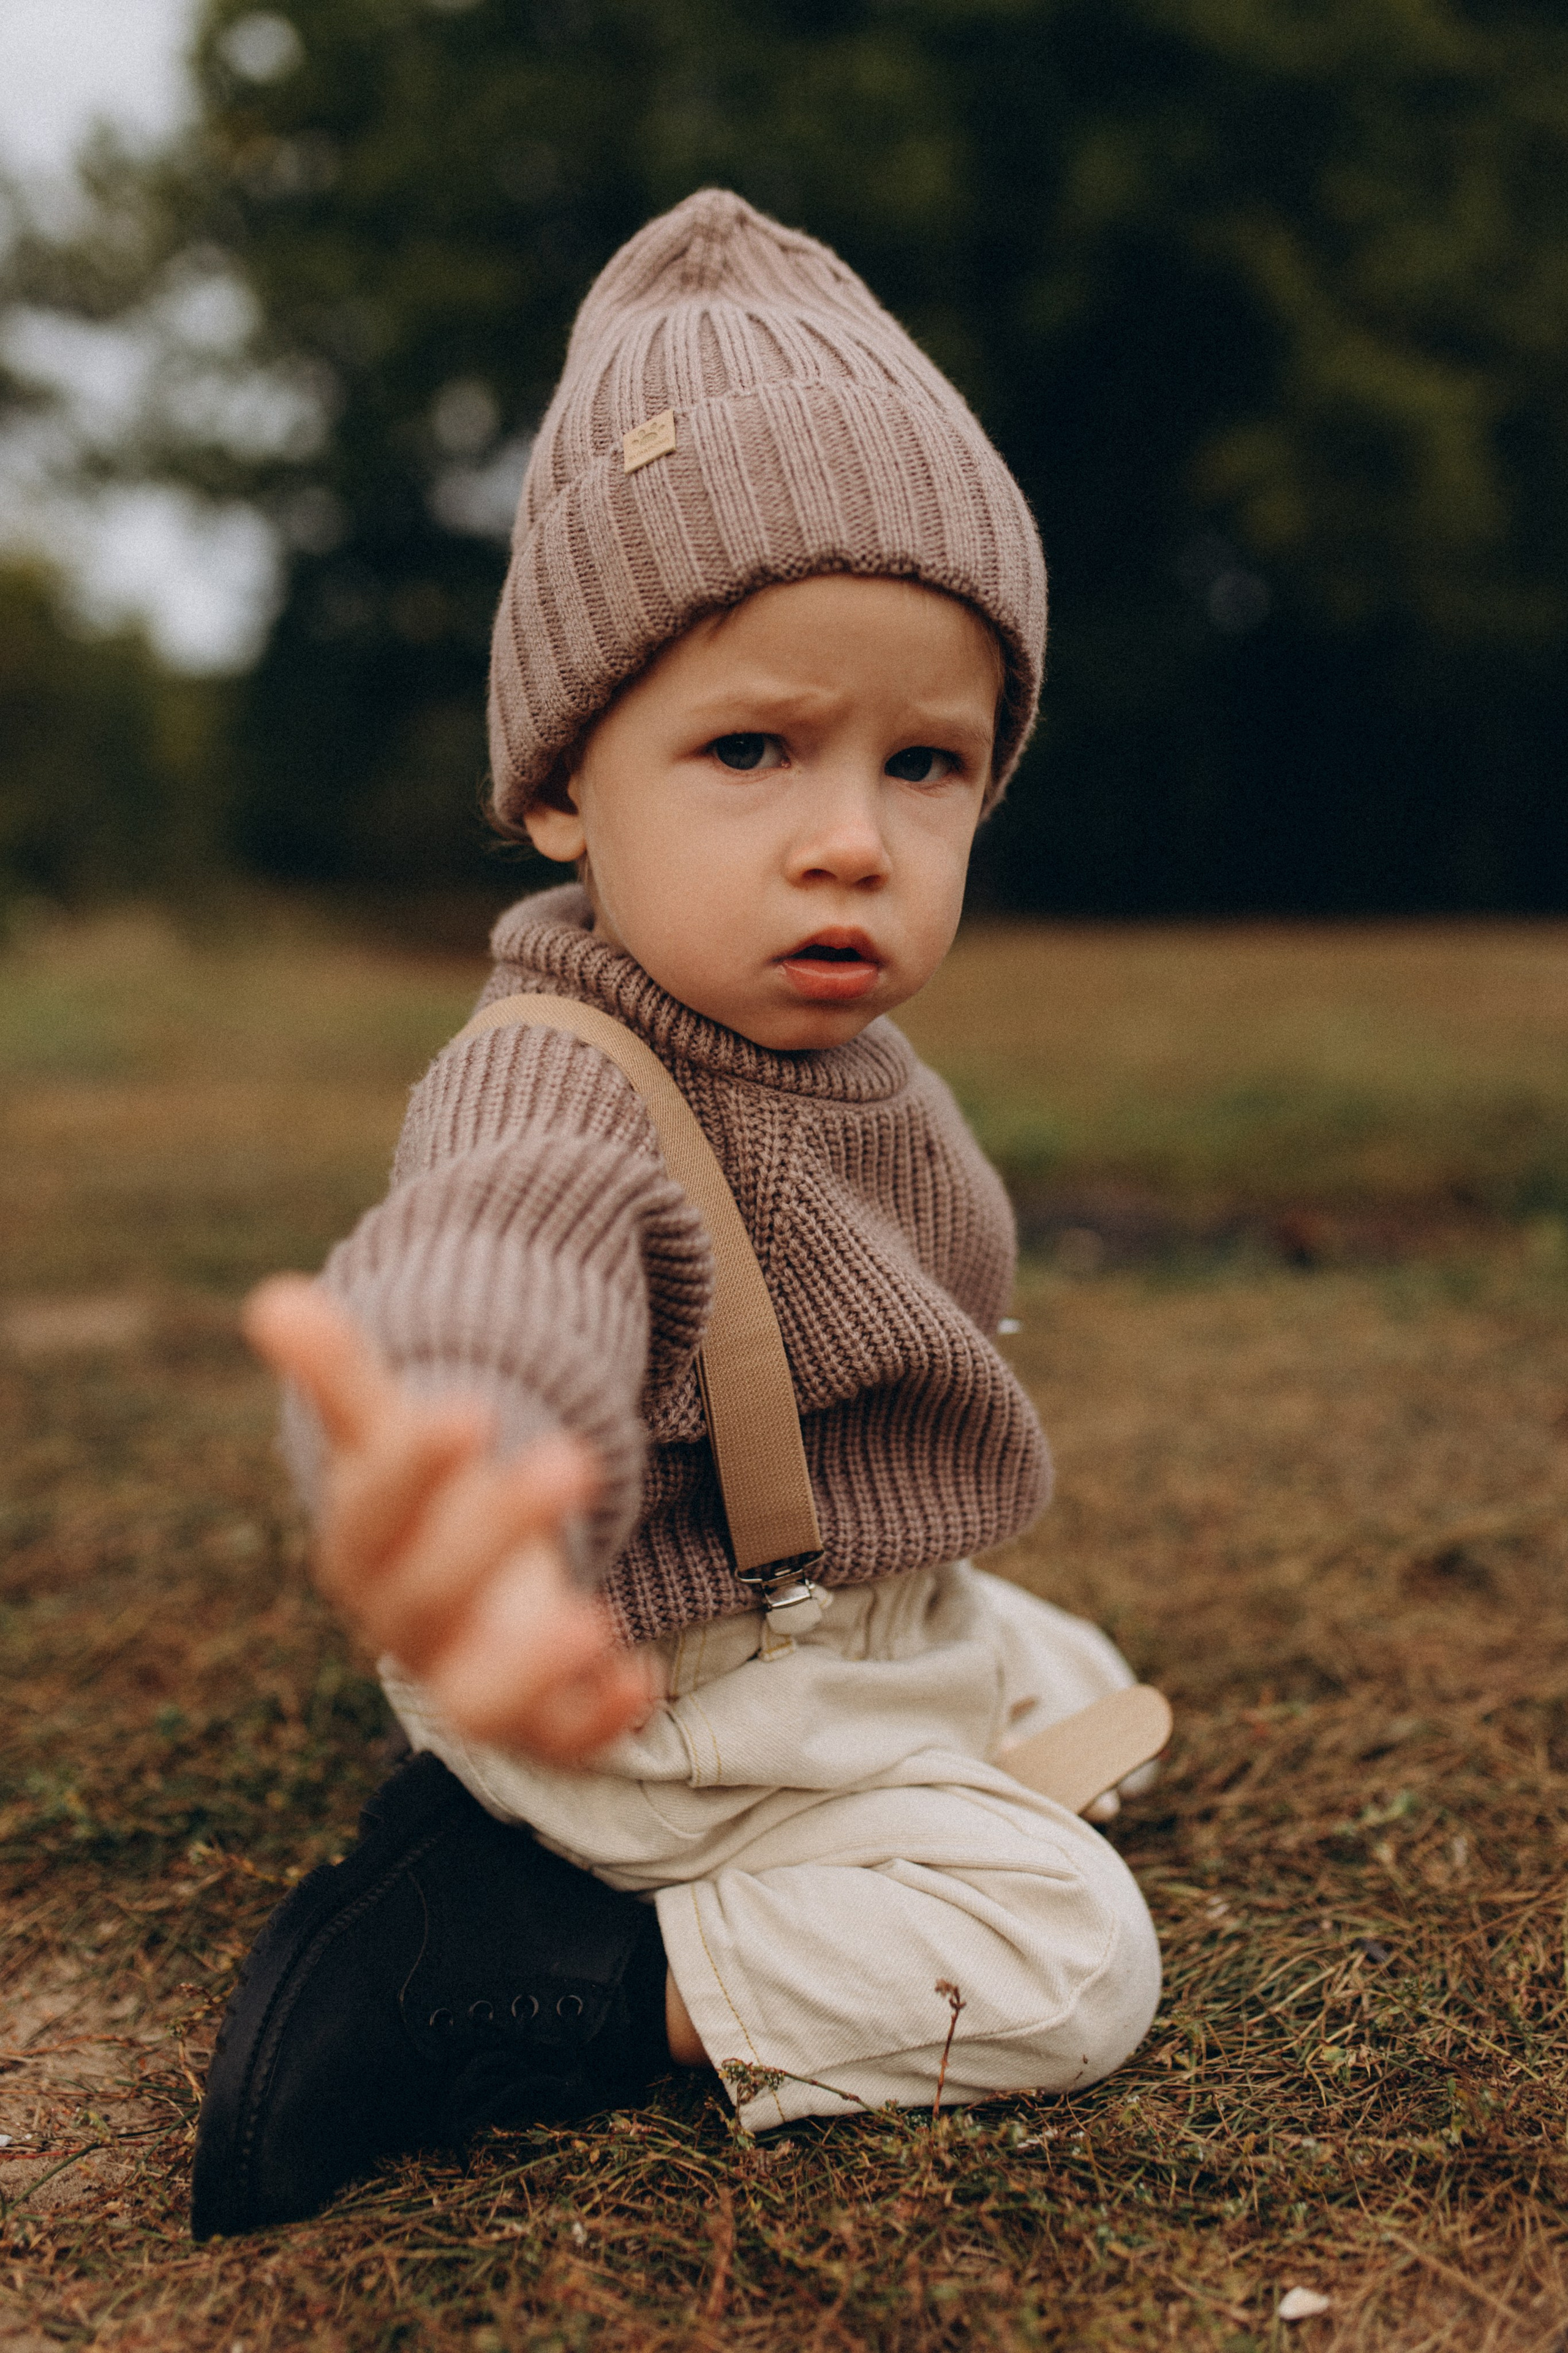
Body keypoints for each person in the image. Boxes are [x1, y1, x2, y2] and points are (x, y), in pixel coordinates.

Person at [190, 189, 1163, 2241]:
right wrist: (467, 1478)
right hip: (658, 1669)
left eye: (928, 763)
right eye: (752, 746)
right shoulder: (565, 1064)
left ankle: (664, 1810)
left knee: (1080, 1670)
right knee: (1076, 1949)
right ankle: (548, 1970)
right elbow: (493, 1262)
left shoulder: (825, 1043)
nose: (850, 840)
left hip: (810, 1599)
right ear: (565, 785)